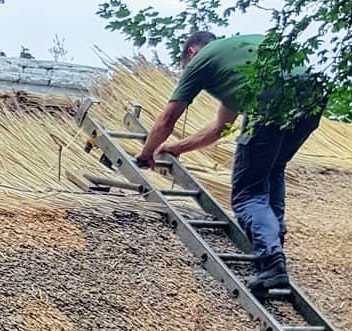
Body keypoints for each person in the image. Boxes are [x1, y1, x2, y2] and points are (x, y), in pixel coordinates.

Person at [134, 31, 324, 294]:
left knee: (247, 195)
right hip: (310, 100)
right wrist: (177, 147)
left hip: (269, 103)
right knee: (272, 171)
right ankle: (274, 243)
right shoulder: (238, 64)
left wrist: (146, 153)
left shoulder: (201, 61)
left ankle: (270, 260)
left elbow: (167, 119)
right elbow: (219, 129)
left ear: (190, 52)